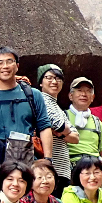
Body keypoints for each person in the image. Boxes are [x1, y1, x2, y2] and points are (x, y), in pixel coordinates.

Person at [0, 47, 55, 165]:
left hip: (27, 159)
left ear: (17, 66)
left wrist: (48, 159)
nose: (5, 66)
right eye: (0, 63)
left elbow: (44, 126)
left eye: (9, 61)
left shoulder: (33, 94)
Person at [36, 64, 79, 193]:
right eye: (49, 77)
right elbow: (60, 125)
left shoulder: (57, 107)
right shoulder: (41, 100)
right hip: (48, 169)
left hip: (62, 169)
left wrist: (60, 133)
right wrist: (63, 131)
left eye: (58, 78)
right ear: (41, 82)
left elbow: (76, 137)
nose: (54, 82)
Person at [65, 78, 102, 166]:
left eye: (88, 91)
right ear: (71, 96)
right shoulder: (63, 116)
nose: (84, 94)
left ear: (92, 97)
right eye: (79, 90)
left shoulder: (97, 122)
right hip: (70, 165)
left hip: (93, 166)